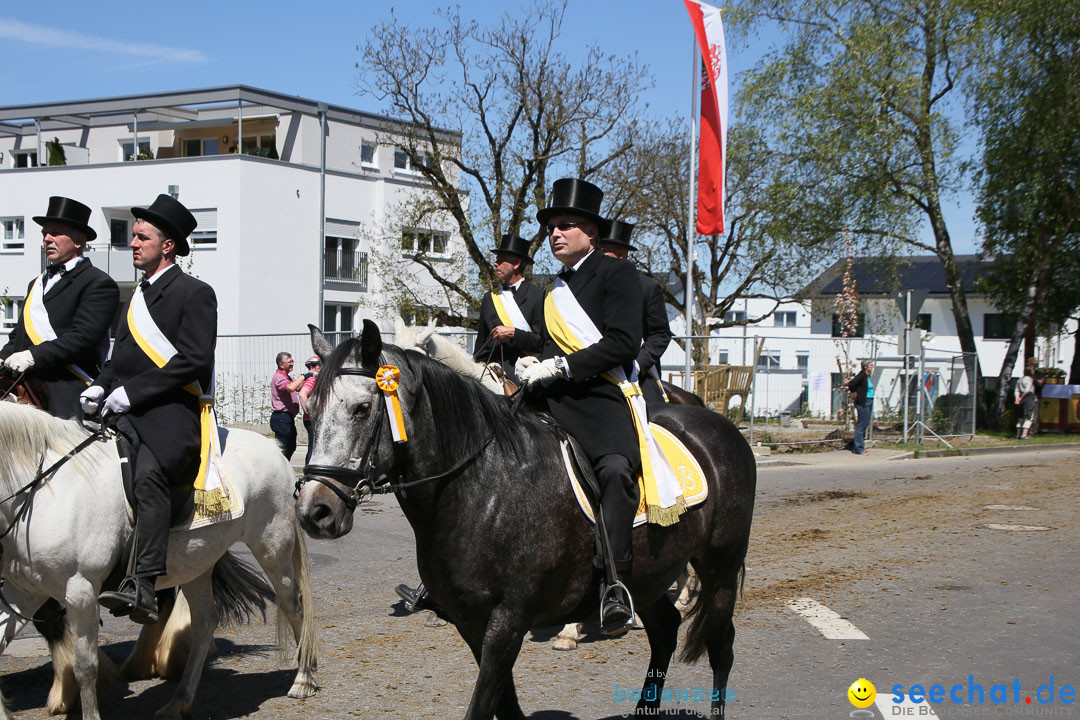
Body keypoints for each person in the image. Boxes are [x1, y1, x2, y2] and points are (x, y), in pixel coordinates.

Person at [518, 178, 684, 636]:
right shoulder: (555, 286)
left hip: (602, 396)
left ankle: (615, 584)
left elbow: (622, 343)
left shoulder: (617, 274)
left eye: (565, 225)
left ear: (591, 233)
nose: (555, 234)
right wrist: (533, 357)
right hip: (553, 395)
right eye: (551, 227)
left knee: (613, 469)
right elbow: (554, 342)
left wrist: (560, 368)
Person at [80, 193, 216, 624]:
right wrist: (99, 387)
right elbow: (118, 361)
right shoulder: (136, 297)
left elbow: (193, 358)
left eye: (141, 237)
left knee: (148, 477)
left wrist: (132, 393)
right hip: (125, 410)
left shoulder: (195, 293)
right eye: (133, 236)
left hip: (171, 416)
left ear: (168, 245)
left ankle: (143, 584)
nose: (133, 243)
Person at [1, 196, 119, 418]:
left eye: (55, 233)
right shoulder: (35, 283)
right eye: (45, 233)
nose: (47, 239)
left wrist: (32, 356)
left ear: (78, 241)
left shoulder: (98, 283)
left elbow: (83, 338)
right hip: (25, 387)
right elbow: (20, 335)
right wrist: (3, 356)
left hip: (65, 390)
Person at [597, 218, 673, 405]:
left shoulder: (648, 288)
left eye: (603, 251)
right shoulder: (588, 286)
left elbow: (660, 334)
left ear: (621, 255)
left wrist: (637, 364)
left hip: (637, 374)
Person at [471, 234, 544, 383]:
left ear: (516, 264)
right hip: (494, 373)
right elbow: (481, 342)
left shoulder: (538, 296)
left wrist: (514, 333)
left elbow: (541, 342)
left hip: (526, 373)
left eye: (501, 260)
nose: (495, 263)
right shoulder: (490, 298)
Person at [270, 352, 304, 459]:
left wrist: (309, 378)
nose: (292, 364)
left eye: (292, 361)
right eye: (289, 362)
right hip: (281, 418)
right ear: (281, 364)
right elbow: (290, 388)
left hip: (287, 418)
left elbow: (297, 387)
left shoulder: (286, 377)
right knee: (283, 448)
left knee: (290, 446)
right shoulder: (279, 377)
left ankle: (284, 467)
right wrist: (303, 377)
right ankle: (278, 469)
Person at [847, 359, 875, 455]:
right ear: (865, 367)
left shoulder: (867, 376)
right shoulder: (862, 375)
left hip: (869, 401)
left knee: (865, 424)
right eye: (871, 365)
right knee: (861, 425)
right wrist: (855, 393)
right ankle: (859, 449)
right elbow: (851, 384)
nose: (872, 367)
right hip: (863, 402)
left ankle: (858, 447)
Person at [299, 356, 321, 464]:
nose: (321, 367)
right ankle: (309, 470)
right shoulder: (312, 379)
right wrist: (308, 411)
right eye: (319, 365)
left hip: (313, 419)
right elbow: (302, 394)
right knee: (313, 447)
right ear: (312, 367)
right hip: (311, 419)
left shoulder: (314, 379)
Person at [1015, 364, 1037, 439]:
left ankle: (1018, 434)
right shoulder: (1030, 379)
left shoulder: (1020, 380)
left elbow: (1017, 390)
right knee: (1029, 416)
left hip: (1020, 398)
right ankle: (1024, 435)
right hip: (1028, 398)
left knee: (1020, 417)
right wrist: (1022, 397)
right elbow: (1027, 390)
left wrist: (1017, 398)